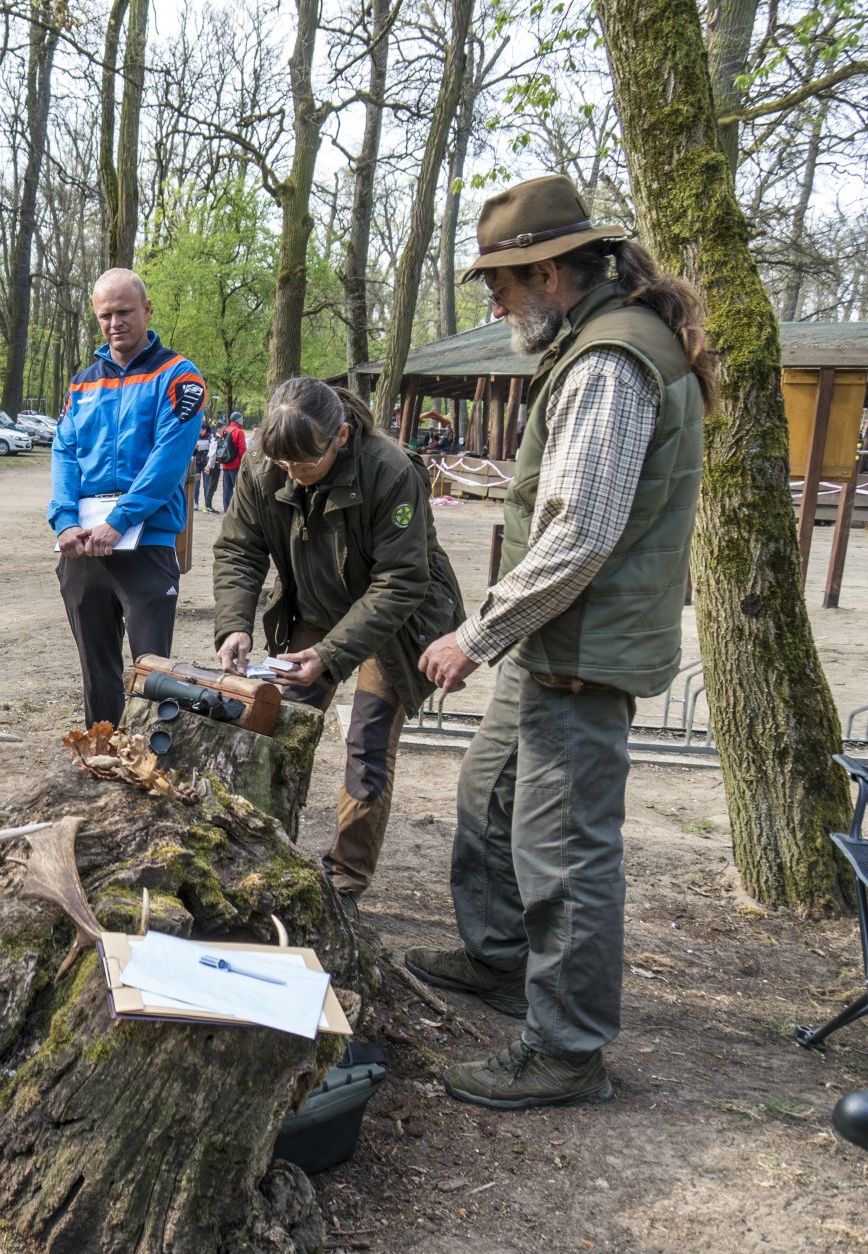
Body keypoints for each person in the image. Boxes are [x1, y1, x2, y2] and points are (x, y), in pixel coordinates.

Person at [409, 173, 714, 1110]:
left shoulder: (609, 363)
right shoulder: (590, 347)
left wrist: (477, 635)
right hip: (555, 642)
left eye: (500, 285)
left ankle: (567, 1049)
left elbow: (580, 533)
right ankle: (501, 960)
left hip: (578, 651)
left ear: (548, 273)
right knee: (488, 790)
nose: (493, 304)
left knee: (566, 854)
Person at [213, 380, 464, 904]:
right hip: (315, 607)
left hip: (398, 622)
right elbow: (240, 549)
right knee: (276, 721)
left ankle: (343, 883)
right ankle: (262, 853)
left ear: (341, 437)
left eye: (304, 465)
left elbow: (401, 581)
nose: (292, 476)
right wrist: (234, 623)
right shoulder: (267, 463)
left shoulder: (391, 471)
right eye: (282, 465)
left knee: (367, 743)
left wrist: (329, 656)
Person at [49, 268, 206, 727]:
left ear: (146, 310)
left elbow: (168, 461)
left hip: (147, 541)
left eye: (124, 311)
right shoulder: (82, 384)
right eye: (105, 315)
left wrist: (121, 519)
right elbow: (64, 453)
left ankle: (151, 762)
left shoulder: (178, 376)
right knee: (97, 672)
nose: (114, 322)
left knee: (153, 672)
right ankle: (102, 758)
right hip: (83, 547)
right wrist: (63, 522)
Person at [218, 411, 247, 510]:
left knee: (227, 489)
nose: (243, 420)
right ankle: (239, 510)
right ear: (238, 420)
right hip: (236, 465)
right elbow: (242, 449)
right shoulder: (239, 431)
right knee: (240, 488)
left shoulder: (226, 431)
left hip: (226, 464)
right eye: (242, 418)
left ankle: (227, 510)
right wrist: (245, 464)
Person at [193, 423, 218, 512]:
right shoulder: (195, 436)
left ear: (206, 429)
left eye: (203, 430)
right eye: (200, 430)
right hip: (197, 463)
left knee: (207, 484)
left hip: (206, 464)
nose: (201, 431)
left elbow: (213, 450)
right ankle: (195, 503)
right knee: (196, 484)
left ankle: (207, 504)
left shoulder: (210, 437)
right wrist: (195, 449)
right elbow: (192, 452)